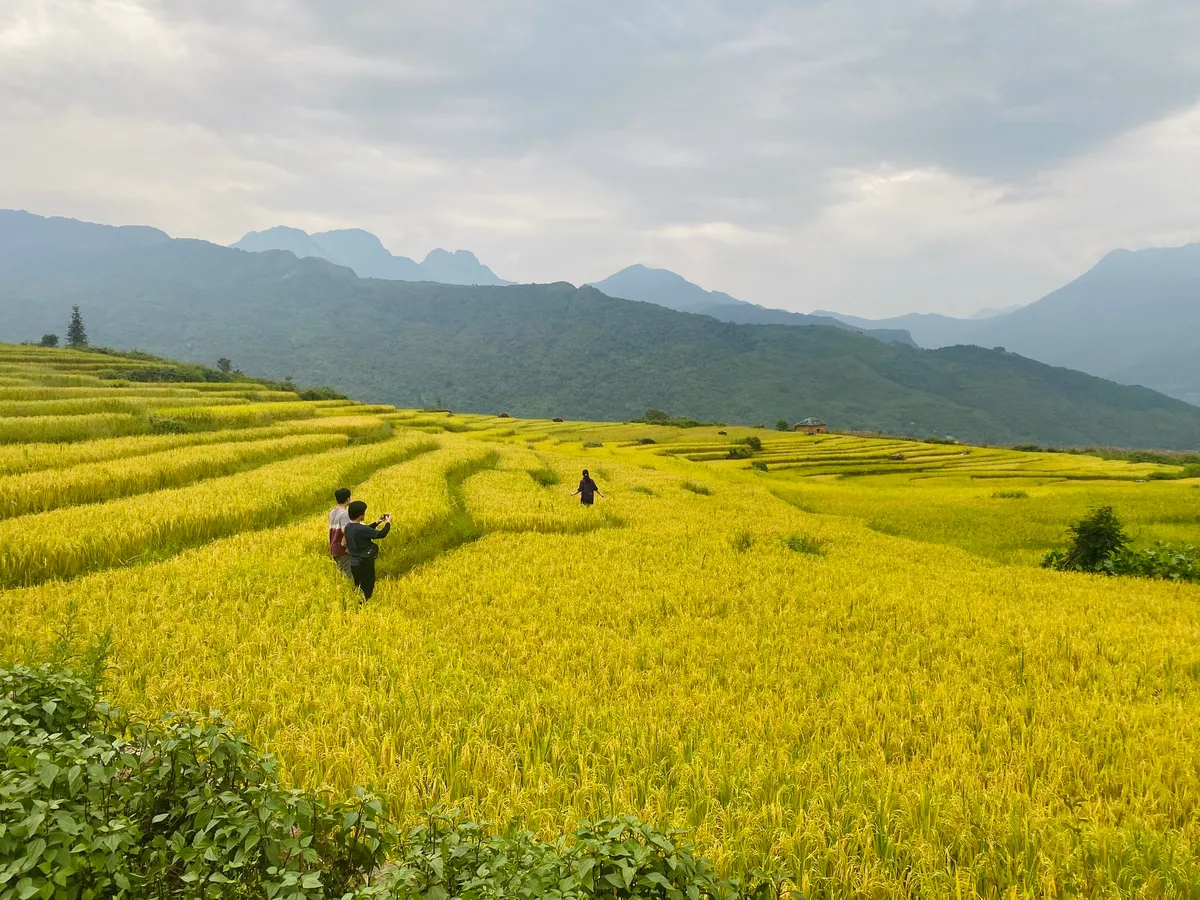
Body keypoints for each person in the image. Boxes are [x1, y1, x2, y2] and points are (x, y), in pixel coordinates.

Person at [344, 500, 392, 601]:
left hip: (354, 563)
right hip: (364, 563)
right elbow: (381, 534)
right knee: (367, 587)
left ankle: (357, 608)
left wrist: (377, 522)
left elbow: (365, 530)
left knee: (359, 588)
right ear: (360, 515)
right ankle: (364, 608)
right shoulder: (361, 529)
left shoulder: (348, 527)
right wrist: (388, 523)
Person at [328, 488, 353, 577]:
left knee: (342, 575)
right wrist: (346, 546)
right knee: (349, 577)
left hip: (334, 547)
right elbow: (346, 530)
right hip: (342, 550)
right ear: (348, 499)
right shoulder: (344, 514)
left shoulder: (332, 512)